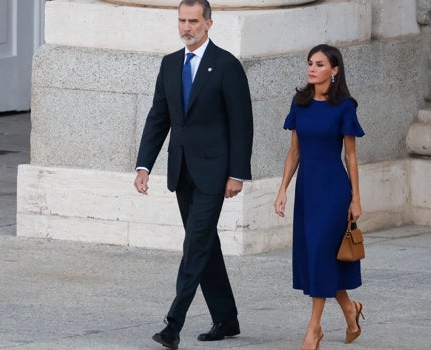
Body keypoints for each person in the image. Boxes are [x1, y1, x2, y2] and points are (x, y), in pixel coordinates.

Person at [133, 0, 253, 348]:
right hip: (181, 171)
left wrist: (237, 174)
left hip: (215, 173)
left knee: (195, 244)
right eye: (182, 21)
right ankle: (226, 318)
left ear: (209, 24)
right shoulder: (170, 64)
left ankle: (173, 324)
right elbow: (159, 118)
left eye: (193, 21)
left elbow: (241, 125)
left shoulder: (227, 65)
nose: (186, 27)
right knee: (205, 244)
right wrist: (144, 165)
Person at [273, 44, 365, 350]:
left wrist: (356, 198)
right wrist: (282, 189)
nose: (312, 68)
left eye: (320, 64)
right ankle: (350, 311)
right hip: (307, 191)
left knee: (322, 254)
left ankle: (314, 329)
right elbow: (294, 151)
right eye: (310, 63)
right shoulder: (299, 103)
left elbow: (351, 157)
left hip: (334, 191)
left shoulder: (345, 106)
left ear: (334, 70)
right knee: (320, 257)